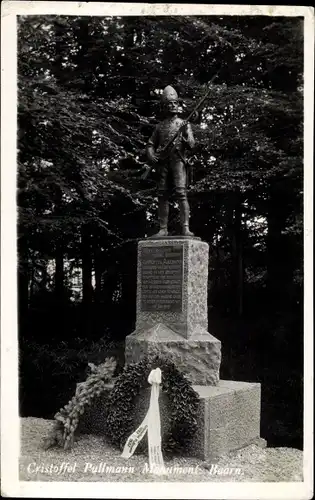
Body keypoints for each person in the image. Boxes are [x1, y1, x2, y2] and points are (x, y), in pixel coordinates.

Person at [146, 85, 195, 237]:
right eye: (169, 104)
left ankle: (185, 228)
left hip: (178, 161)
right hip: (162, 163)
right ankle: (162, 229)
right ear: (165, 107)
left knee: (181, 193)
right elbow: (150, 144)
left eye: (175, 103)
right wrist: (151, 155)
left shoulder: (184, 124)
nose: (173, 106)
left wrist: (185, 133)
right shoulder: (159, 126)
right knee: (162, 195)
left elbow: (191, 145)